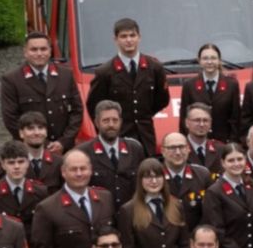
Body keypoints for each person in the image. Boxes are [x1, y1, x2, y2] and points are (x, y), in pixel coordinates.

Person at [85, 17, 168, 156]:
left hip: (146, 136)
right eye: (123, 36)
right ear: (115, 39)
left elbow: (162, 100)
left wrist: (144, 114)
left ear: (139, 37)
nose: (129, 40)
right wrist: (107, 129)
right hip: (118, 136)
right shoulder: (105, 72)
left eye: (132, 35)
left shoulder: (154, 68)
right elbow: (94, 106)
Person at [0, 32, 82, 141]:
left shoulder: (66, 75)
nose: (39, 53)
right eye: (33, 49)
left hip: (64, 147)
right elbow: (10, 119)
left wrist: (64, 142)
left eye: (43, 49)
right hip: (30, 148)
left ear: (50, 51)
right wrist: (43, 145)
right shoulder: (11, 80)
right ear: (25, 52)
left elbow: (77, 111)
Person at [75, 101, 146, 205]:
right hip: (100, 215)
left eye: (115, 120)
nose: (111, 125)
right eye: (106, 121)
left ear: (120, 122)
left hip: (131, 214)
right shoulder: (83, 152)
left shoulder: (135, 149)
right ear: (97, 123)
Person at [177, 45, 240, 144]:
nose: (209, 62)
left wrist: (232, 143)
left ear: (219, 60)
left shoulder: (232, 85)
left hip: (223, 143)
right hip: (198, 142)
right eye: (205, 58)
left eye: (213, 58)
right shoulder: (189, 85)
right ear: (199, 61)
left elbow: (235, 118)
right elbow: (184, 118)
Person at [158, 133, 213, 206]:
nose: (178, 152)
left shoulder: (202, 175)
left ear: (188, 149)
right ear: (162, 151)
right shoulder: (155, 175)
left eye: (181, 147)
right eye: (172, 148)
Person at [179, 103, 227, 173]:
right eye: (197, 120)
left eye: (205, 120)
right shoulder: (179, 149)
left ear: (210, 123)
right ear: (187, 123)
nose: (201, 124)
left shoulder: (221, 149)